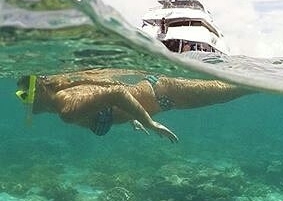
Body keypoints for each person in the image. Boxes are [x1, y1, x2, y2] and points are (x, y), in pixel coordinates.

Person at [15, 69, 251, 142]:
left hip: (166, 94)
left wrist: (150, 121)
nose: (24, 102)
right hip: (162, 94)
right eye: (20, 96)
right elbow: (109, 99)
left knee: (239, 88)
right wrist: (133, 119)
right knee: (236, 88)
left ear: (41, 90)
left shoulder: (67, 107)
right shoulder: (66, 98)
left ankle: (278, 75)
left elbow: (117, 92)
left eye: (25, 95)